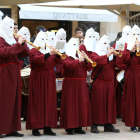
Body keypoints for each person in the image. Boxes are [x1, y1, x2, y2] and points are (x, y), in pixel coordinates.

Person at [26, 31, 63, 136]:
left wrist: (57, 54)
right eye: (42, 39)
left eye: (45, 39)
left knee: (50, 101)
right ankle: (35, 127)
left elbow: (60, 62)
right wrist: (48, 54)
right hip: (38, 76)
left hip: (50, 76)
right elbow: (35, 59)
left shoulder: (50, 49)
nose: (44, 42)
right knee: (38, 100)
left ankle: (48, 127)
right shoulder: (34, 49)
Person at [0, 16, 29, 138]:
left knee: (15, 100)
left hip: (15, 71)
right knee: (4, 101)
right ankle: (1, 128)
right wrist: (18, 44)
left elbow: (25, 53)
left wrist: (23, 42)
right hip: (5, 71)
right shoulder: (1, 39)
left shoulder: (13, 39)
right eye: (11, 28)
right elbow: (4, 52)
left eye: (14, 28)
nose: (13, 30)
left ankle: (13, 128)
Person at [90, 35, 123, 134]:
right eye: (104, 44)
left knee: (110, 105)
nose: (106, 46)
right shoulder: (95, 53)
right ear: (100, 44)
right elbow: (95, 62)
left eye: (108, 44)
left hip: (109, 83)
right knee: (97, 104)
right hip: (99, 82)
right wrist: (107, 55)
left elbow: (119, 65)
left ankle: (108, 125)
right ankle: (94, 125)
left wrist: (117, 55)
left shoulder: (112, 56)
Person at [60, 37, 92, 135]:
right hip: (71, 84)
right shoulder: (66, 56)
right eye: (73, 45)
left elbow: (89, 66)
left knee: (81, 105)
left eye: (76, 45)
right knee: (71, 105)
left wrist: (86, 59)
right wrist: (79, 60)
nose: (75, 47)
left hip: (81, 84)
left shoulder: (80, 55)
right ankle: (69, 127)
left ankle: (79, 126)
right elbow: (67, 65)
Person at [123, 25, 140, 132]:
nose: (136, 37)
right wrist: (131, 51)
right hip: (131, 74)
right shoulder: (126, 46)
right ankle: (132, 123)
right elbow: (123, 61)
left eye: (138, 34)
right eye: (134, 34)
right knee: (132, 98)